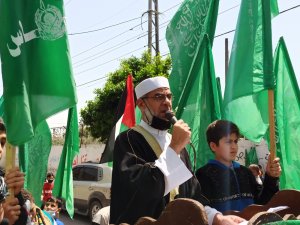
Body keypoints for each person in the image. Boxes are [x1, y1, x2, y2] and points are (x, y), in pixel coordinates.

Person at [109, 77, 244, 225]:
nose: (166, 102)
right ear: (141, 104)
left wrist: (218, 218)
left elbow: (193, 196)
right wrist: (174, 148)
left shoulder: (177, 143)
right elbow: (141, 191)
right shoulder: (128, 140)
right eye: (158, 97)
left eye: (169, 96)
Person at [195, 120, 282, 213]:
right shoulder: (203, 175)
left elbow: (262, 204)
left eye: (235, 141)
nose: (234, 146)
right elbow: (202, 213)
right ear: (213, 146)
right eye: (229, 142)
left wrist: (271, 177)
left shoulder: (246, 173)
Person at [0, 120, 28, 225]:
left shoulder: (3, 180)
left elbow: (22, 220)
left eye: (2, 143)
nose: (0, 149)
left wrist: (15, 195)